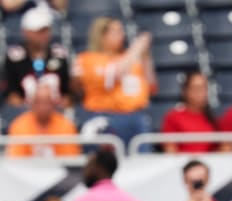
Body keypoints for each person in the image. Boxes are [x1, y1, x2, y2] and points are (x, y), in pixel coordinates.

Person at [71, 17, 156, 149]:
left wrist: (145, 58)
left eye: (121, 31)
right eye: (116, 32)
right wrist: (137, 48)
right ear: (101, 36)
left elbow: (151, 85)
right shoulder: (88, 59)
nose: (122, 35)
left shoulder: (130, 58)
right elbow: (115, 74)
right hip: (105, 117)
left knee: (142, 164)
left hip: (136, 117)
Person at [4, 5, 71, 108]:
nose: (42, 35)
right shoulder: (14, 57)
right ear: (26, 32)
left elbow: (66, 94)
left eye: (45, 30)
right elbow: (12, 95)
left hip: (55, 112)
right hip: (25, 113)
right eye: (38, 31)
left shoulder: (59, 55)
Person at [6, 81, 80, 158]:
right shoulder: (19, 125)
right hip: (26, 168)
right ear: (32, 103)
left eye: (46, 102)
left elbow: (70, 158)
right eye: (38, 102)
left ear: (53, 103)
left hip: (58, 168)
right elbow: (16, 158)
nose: (42, 107)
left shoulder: (66, 126)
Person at [161, 70, 219, 153]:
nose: (202, 93)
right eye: (198, 88)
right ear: (186, 91)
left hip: (208, 163)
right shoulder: (173, 117)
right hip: (181, 164)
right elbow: (170, 149)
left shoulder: (212, 118)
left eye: (205, 88)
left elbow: (219, 149)